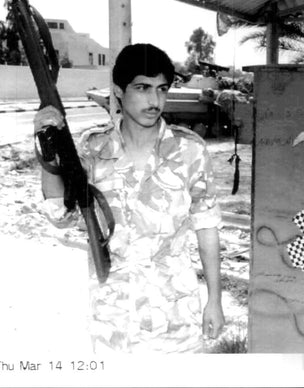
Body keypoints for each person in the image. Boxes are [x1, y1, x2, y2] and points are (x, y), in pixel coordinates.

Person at [34, 43, 224, 353]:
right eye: (142, 88)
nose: (154, 100)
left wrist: (214, 301)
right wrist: (47, 146)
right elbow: (60, 215)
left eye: (162, 89)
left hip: (174, 320)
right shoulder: (93, 149)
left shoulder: (190, 150)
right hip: (113, 320)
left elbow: (207, 228)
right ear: (119, 91)